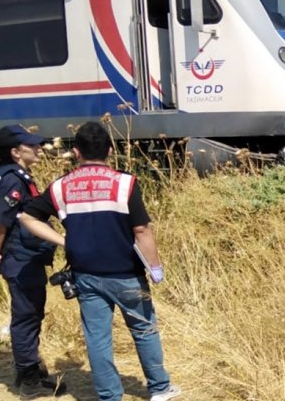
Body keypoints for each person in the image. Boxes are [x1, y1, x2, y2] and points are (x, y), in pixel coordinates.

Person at [19, 122, 180, 401]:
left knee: (97, 338)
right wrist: (155, 268)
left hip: (86, 274)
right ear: (109, 150)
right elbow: (142, 230)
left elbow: (27, 217)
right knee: (143, 330)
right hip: (127, 272)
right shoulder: (125, 183)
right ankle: (159, 388)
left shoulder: (60, 187)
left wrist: (62, 240)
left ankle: (109, 396)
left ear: (76, 152)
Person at [0, 125, 66, 397]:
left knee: (31, 312)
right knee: (26, 316)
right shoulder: (13, 180)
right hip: (20, 258)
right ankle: (30, 381)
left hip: (24, 256)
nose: (39, 148)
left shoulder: (16, 174)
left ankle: (32, 371)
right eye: (33, 146)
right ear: (16, 152)